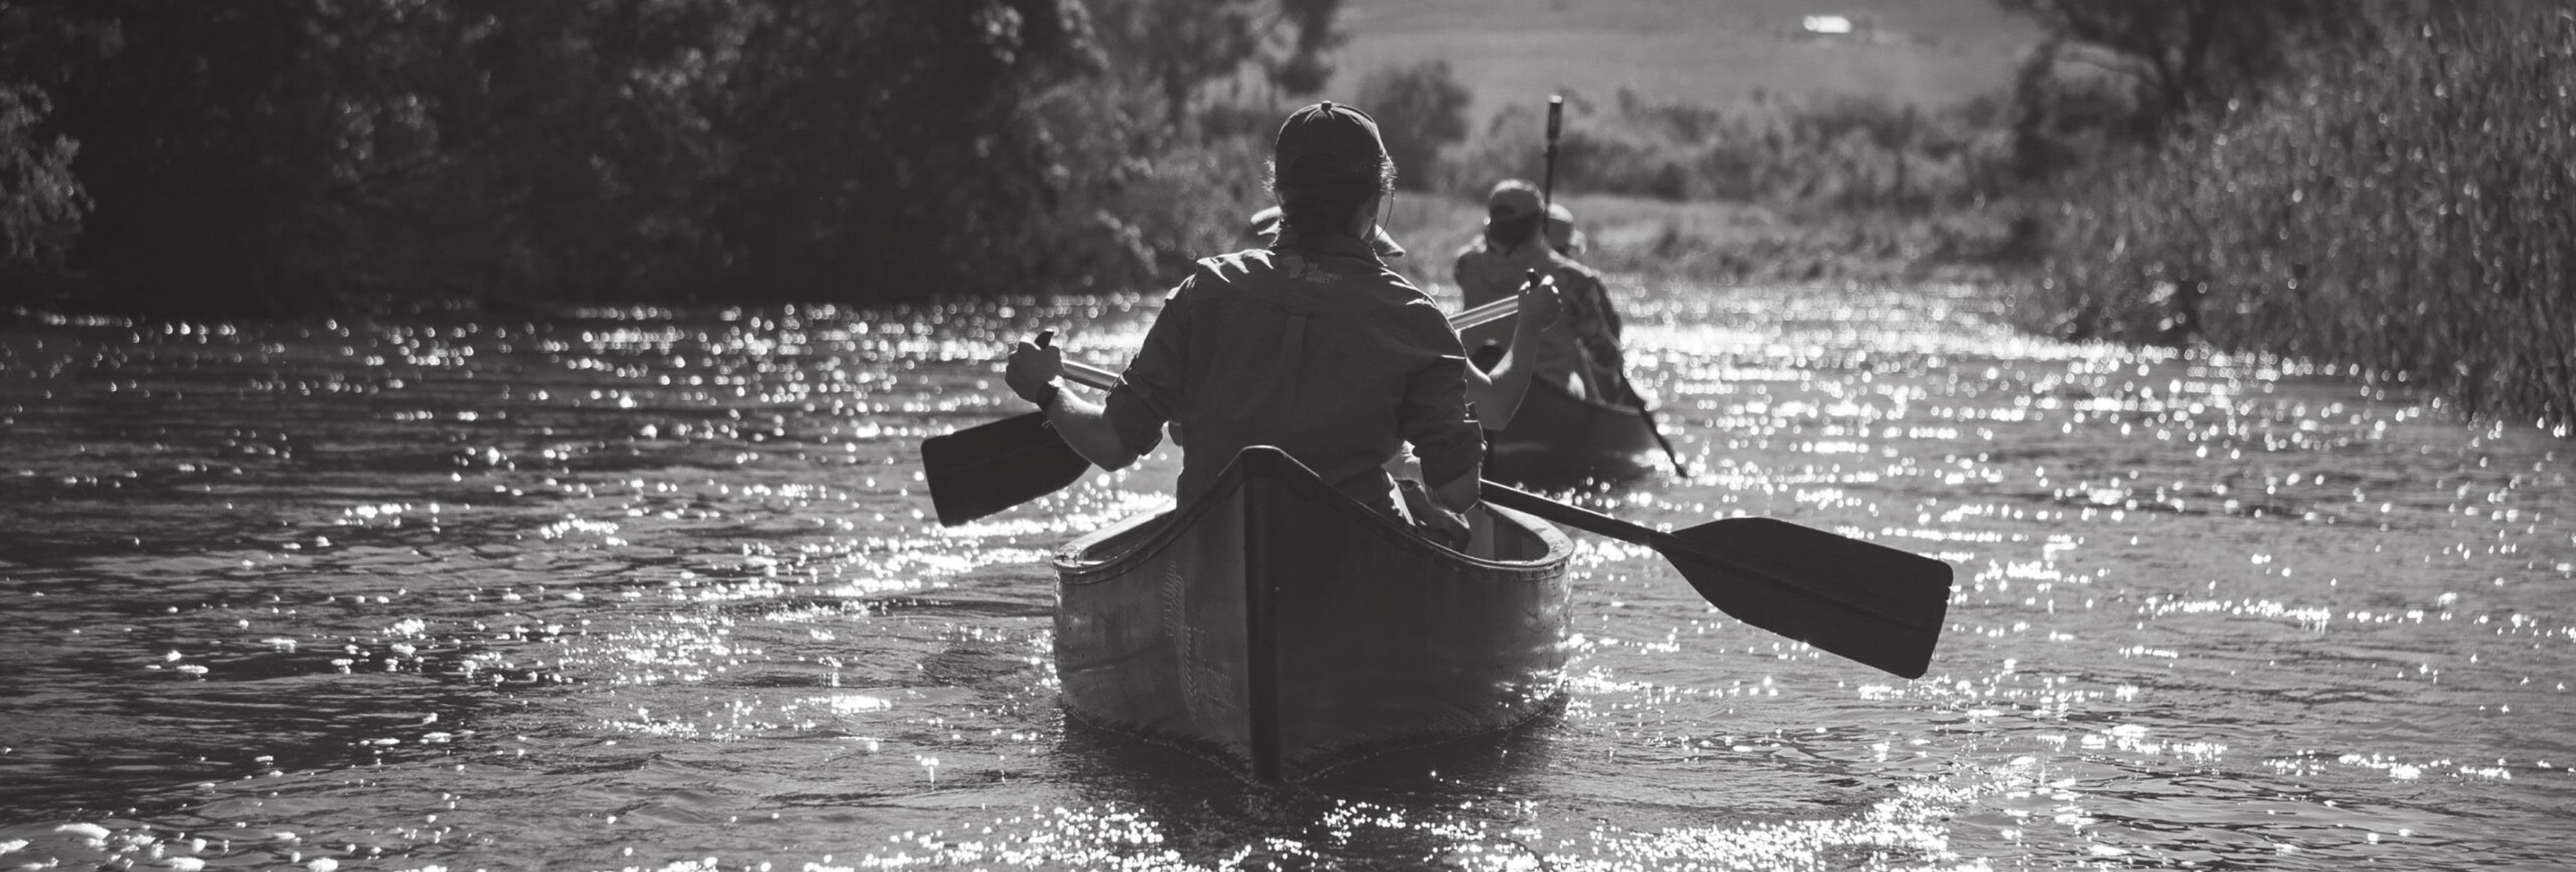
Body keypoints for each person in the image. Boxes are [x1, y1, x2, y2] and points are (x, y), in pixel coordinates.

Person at [1004, 101, 1558, 544]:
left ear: (1279, 194)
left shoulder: (1205, 290)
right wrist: (1411, 464)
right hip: (1356, 557)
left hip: (1215, 551)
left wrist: (1048, 391)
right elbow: (1459, 490)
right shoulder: (1414, 317)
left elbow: (1110, 445)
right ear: (1377, 197)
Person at [1453, 181, 1629, 403]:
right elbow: (1605, 358)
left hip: (1477, 393)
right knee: (1580, 384)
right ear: (1538, 224)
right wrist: (1616, 357)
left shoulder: (1465, 264)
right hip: (1548, 399)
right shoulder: (1573, 278)